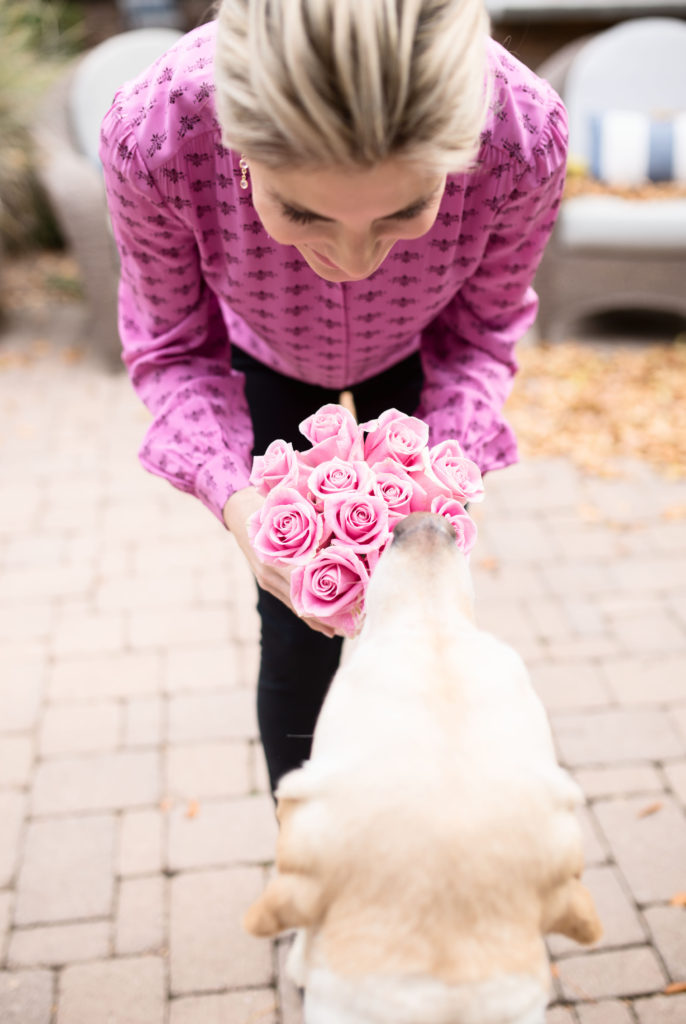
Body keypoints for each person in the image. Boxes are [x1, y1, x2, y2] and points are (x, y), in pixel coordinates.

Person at [100, 0, 568, 792]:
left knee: (426, 617)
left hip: (417, 351)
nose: (350, 260)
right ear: (236, 150)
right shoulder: (157, 134)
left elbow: (483, 334)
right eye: (302, 211)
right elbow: (174, 344)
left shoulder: (522, 138)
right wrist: (237, 501)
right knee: (292, 628)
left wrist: (440, 478)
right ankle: (302, 856)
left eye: (403, 210)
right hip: (266, 357)